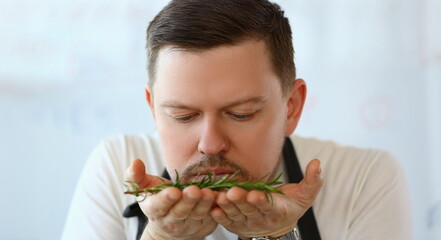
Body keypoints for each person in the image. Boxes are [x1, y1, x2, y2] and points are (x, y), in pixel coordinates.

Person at [61, 0, 412, 239]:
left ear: (291, 107)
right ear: (153, 109)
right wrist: (162, 236)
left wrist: (276, 235)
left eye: (240, 114)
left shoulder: (365, 180)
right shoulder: (115, 164)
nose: (211, 143)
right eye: (183, 116)